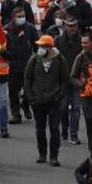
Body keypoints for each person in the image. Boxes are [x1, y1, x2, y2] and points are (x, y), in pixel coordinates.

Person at [25, 33, 69, 167]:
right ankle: (42, 154)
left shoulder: (60, 60)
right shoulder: (34, 59)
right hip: (37, 100)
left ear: (49, 47)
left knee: (55, 129)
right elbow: (27, 78)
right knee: (40, 129)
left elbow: (64, 80)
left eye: (43, 46)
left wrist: (59, 96)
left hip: (53, 101)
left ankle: (54, 156)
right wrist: (31, 97)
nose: (40, 48)